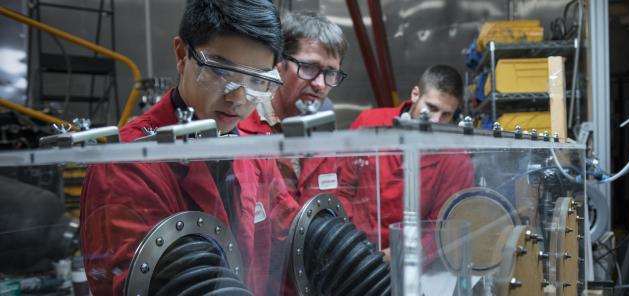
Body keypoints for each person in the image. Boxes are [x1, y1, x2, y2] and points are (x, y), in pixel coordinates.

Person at [79, 1, 299, 295]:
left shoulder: (252, 150)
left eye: (256, 80)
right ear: (182, 55)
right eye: (221, 72)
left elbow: (287, 241)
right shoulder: (128, 164)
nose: (238, 98)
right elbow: (138, 284)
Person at [237, 12, 364, 221]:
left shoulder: (325, 134)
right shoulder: (241, 126)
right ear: (278, 63)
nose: (320, 84)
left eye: (330, 73)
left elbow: (339, 202)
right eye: (308, 67)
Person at [350, 65, 476, 257]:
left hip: (411, 265)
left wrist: (399, 255)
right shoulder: (369, 123)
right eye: (432, 108)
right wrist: (346, 242)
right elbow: (342, 186)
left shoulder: (456, 159)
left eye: (446, 115)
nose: (435, 121)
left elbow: (441, 227)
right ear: (415, 94)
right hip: (351, 251)